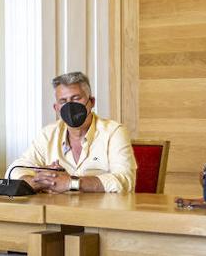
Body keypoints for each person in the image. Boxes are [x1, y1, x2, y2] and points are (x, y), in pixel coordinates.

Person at [7, 71, 136, 193]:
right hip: (56, 208)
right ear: (56, 108)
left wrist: (71, 182)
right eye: (63, 101)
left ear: (91, 102)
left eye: (76, 98)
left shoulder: (114, 132)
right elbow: (14, 171)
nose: (69, 107)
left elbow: (125, 181)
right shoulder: (48, 134)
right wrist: (42, 181)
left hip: (101, 208)